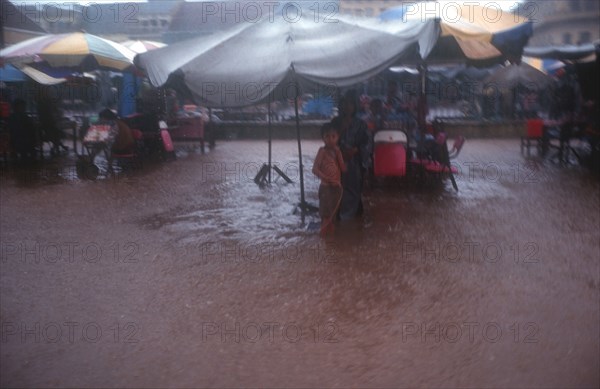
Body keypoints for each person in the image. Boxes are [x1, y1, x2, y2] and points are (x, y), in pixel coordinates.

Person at [331, 92, 371, 220]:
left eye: (350, 103)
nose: (347, 106)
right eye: (344, 103)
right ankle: (339, 217)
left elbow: (368, 143)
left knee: (353, 190)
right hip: (336, 161)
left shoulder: (361, 124)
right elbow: (327, 140)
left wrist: (356, 150)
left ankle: (349, 221)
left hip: (354, 162)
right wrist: (342, 128)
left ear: (354, 106)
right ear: (340, 106)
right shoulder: (335, 122)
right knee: (337, 189)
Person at [312, 123, 346, 236]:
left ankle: (331, 241)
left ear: (338, 137)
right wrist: (326, 178)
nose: (330, 139)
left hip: (336, 188)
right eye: (327, 136)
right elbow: (315, 169)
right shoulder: (322, 151)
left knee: (333, 215)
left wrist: (341, 154)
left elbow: (343, 169)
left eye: (333, 136)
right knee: (325, 215)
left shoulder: (337, 151)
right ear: (323, 138)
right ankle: (324, 238)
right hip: (326, 187)